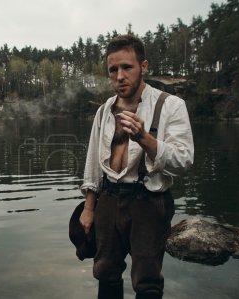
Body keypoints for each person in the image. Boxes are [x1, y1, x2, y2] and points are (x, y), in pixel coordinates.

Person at [79, 34, 194, 299]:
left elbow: (184, 160)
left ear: (144, 66)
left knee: (147, 281)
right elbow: (92, 162)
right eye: (113, 69)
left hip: (149, 202)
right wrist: (88, 208)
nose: (119, 76)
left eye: (127, 67)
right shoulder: (105, 110)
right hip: (108, 200)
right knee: (105, 272)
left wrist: (145, 139)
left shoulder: (171, 105)